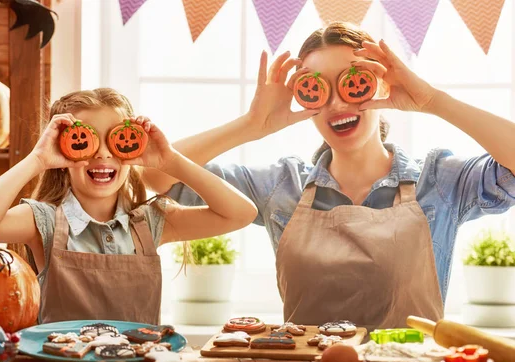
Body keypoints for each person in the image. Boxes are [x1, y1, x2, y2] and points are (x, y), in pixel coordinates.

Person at [142, 23, 515, 330]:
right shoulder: (281, 186)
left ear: (380, 85)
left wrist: (432, 101)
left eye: (352, 82)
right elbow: (156, 174)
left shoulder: (439, 181)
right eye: (318, 88)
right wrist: (251, 125)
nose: (337, 104)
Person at [0, 88, 257, 325]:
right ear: (63, 151)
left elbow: (242, 213)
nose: (102, 154)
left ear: (133, 146)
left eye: (115, 141)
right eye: (85, 140)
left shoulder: (151, 222)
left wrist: (171, 161)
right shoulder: (45, 221)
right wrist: (37, 160)